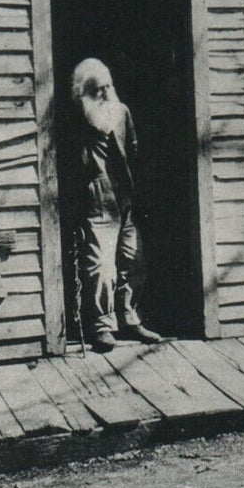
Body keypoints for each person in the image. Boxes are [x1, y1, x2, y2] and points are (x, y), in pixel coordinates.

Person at [71, 58, 162, 351]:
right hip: (97, 200)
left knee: (134, 259)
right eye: (99, 88)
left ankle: (129, 317)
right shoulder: (80, 116)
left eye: (109, 86)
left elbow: (134, 150)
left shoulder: (122, 112)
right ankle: (102, 326)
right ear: (86, 91)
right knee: (101, 267)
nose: (106, 92)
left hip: (124, 198)